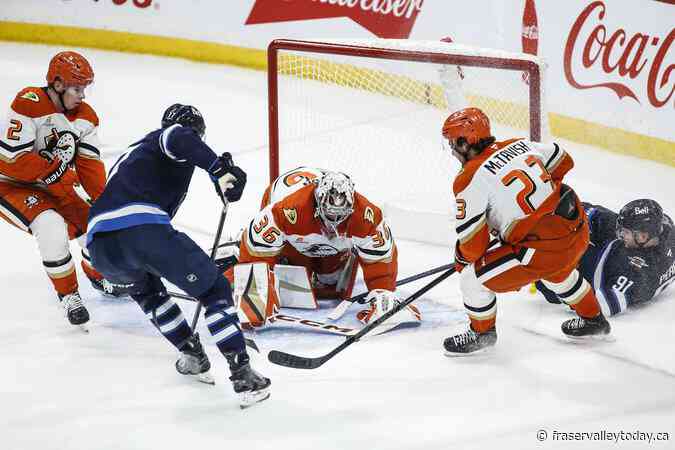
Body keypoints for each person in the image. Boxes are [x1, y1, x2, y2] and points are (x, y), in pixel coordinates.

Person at [86, 104, 270, 408]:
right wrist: (218, 169)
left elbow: (181, 154)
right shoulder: (170, 137)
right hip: (141, 230)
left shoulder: (135, 155)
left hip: (101, 247)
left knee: (150, 294)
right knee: (215, 289)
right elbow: (179, 137)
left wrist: (217, 175)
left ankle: (193, 355)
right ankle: (242, 374)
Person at [441, 107, 611, 356]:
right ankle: (594, 320)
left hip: (540, 249)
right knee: (559, 272)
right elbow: (564, 159)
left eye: (453, 143)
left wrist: (461, 256)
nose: (453, 150)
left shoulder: (468, 179)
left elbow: (474, 247)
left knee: (471, 277)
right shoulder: (519, 145)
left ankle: (482, 333)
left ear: (466, 141)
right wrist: (539, 199)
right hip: (575, 230)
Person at [0, 51, 120, 329]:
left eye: (85, 89)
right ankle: (69, 295)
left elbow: (90, 166)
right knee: (51, 225)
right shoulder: (29, 102)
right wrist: (54, 170)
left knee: (96, 224)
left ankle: (99, 274)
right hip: (11, 186)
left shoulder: (86, 117)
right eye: (77, 88)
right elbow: (10, 161)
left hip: (53, 182)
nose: (82, 95)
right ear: (57, 84)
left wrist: (104, 203)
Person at [224, 166, 420, 328]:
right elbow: (257, 247)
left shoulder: (366, 215)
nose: (333, 222)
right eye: (330, 215)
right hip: (292, 233)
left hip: (329, 242)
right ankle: (236, 254)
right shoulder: (287, 210)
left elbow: (380, 257)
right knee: (274, 275)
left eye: (339, 217)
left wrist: (382, 292)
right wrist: (254, 292)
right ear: (318, 205)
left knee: (330, 290)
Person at [536, 199, 674, 315]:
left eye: (625, 232)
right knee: (583, 216)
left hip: (594, 275)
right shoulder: (664, 229)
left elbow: (603, 306)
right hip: (614, 256)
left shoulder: (641, 274)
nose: (621, 235)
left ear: (643, 237)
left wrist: (549, 280)